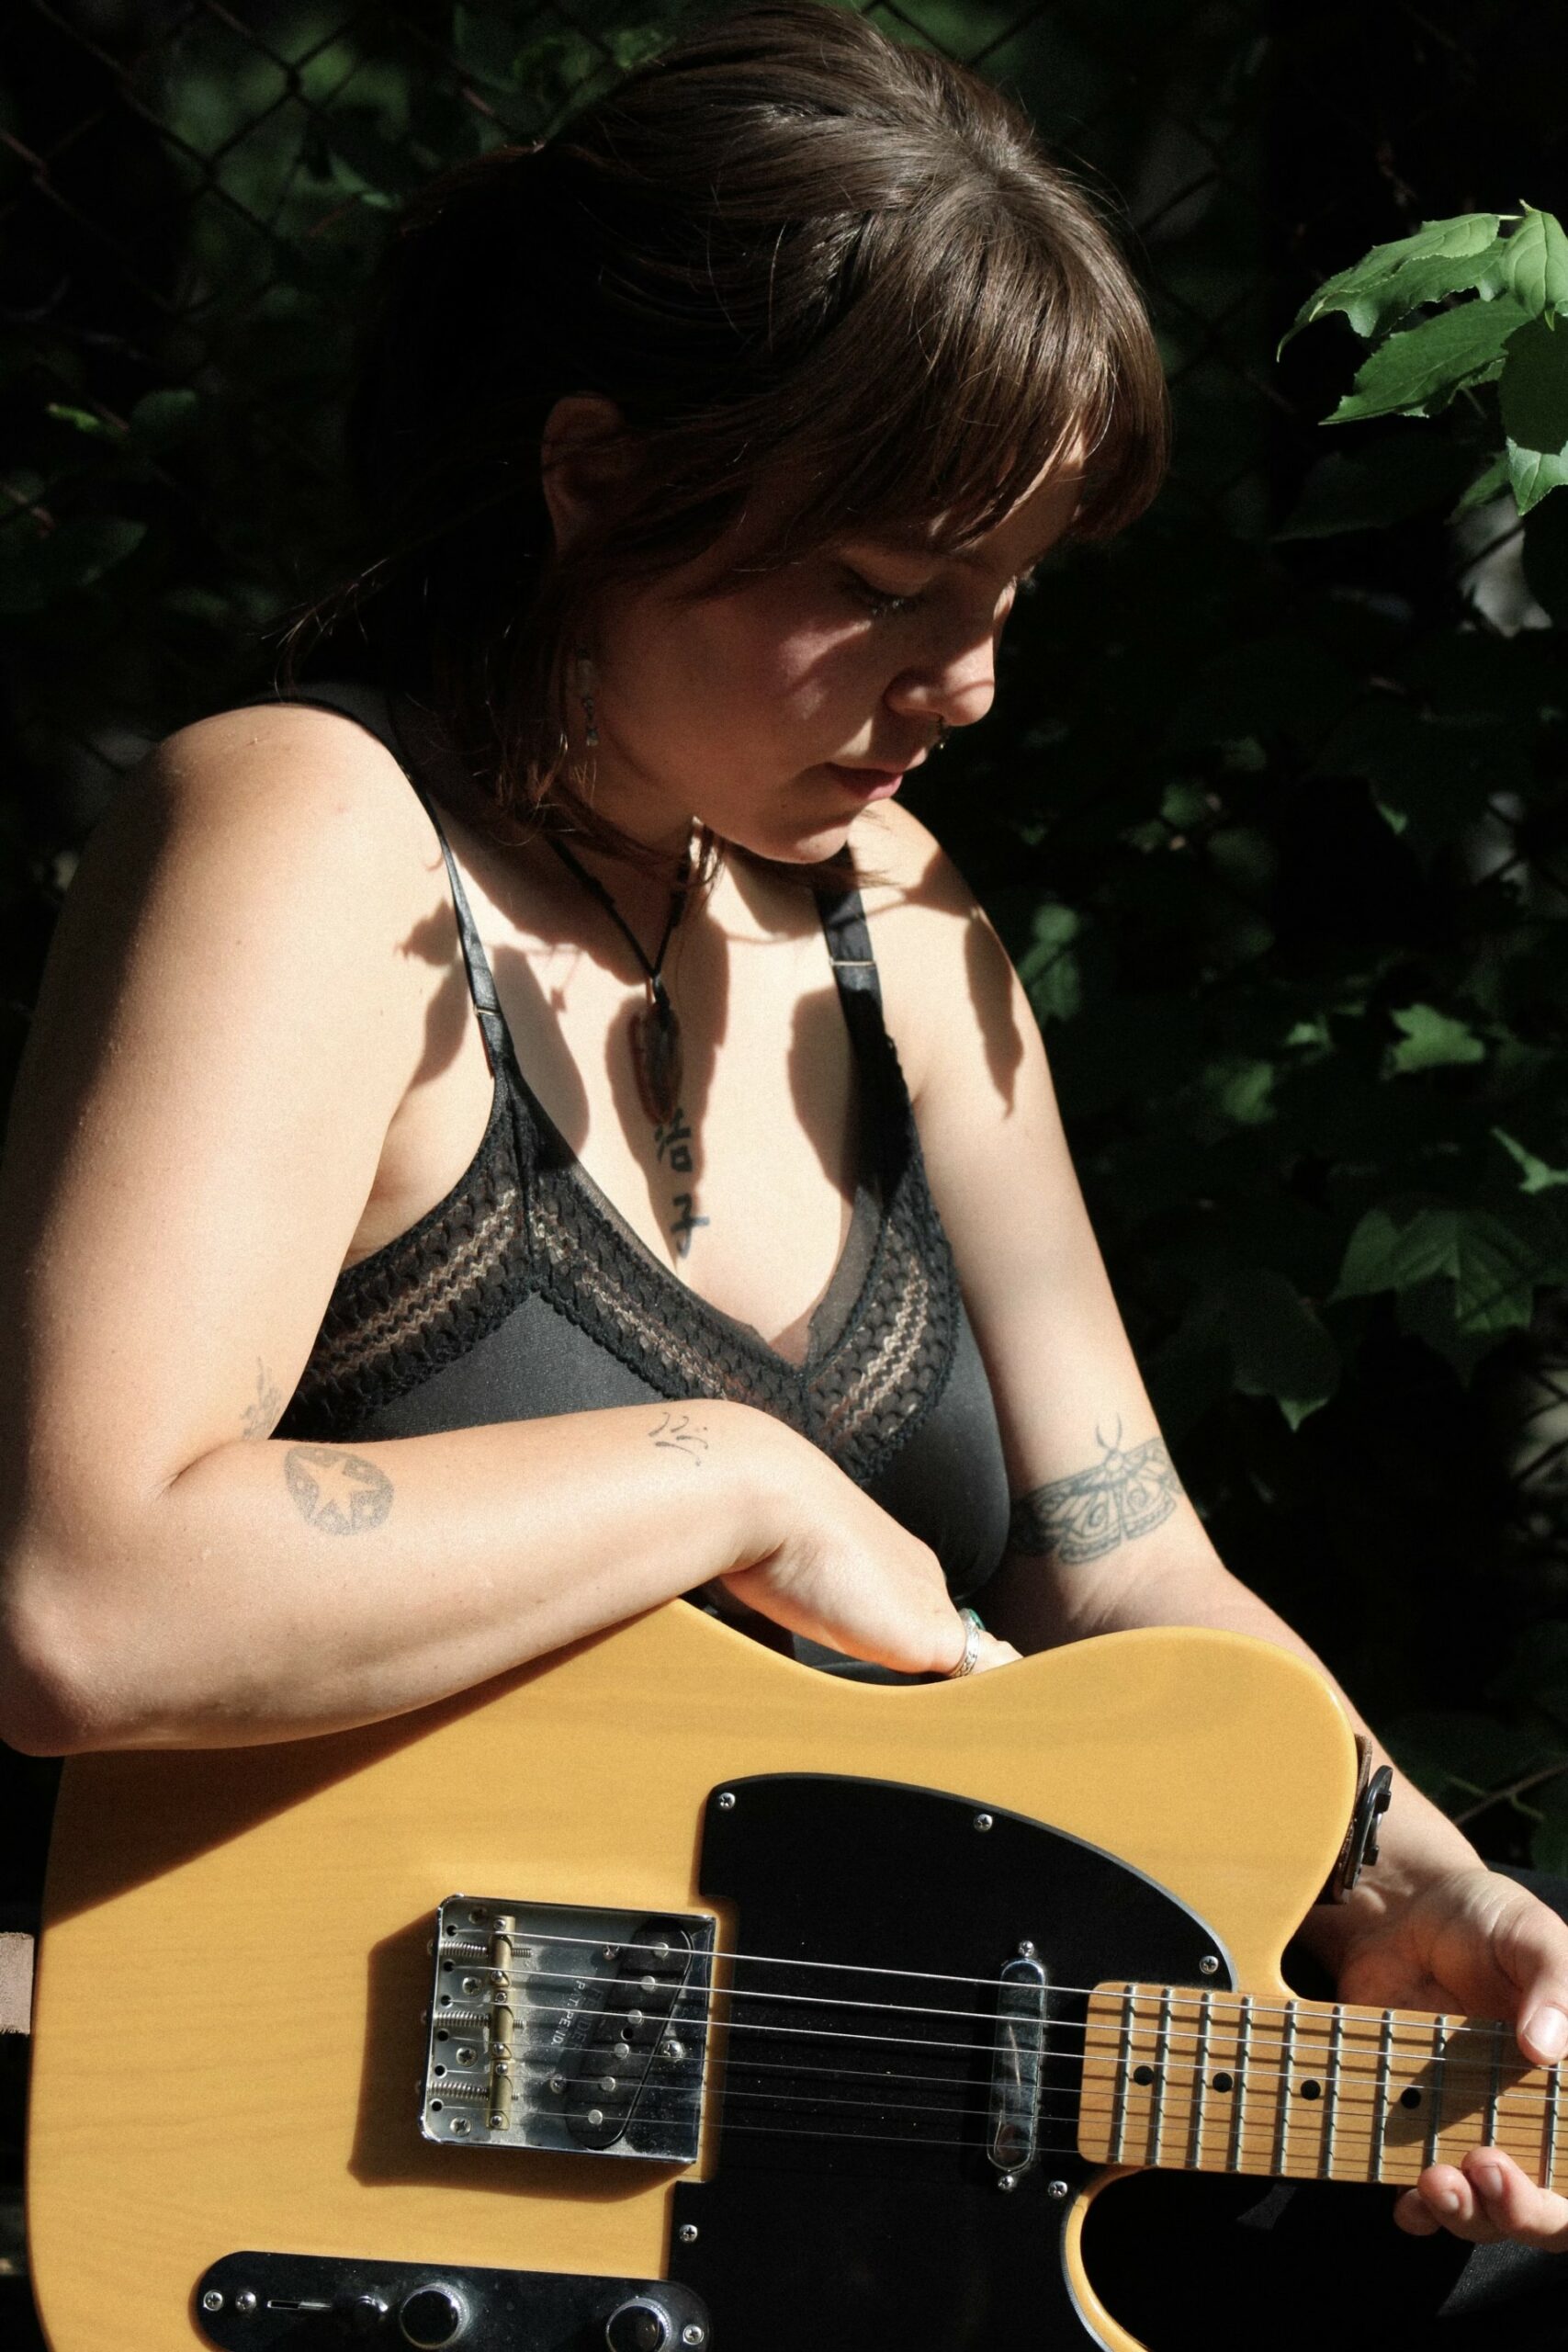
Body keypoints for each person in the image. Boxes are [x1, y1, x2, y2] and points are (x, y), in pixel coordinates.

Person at [0, 6, 1563, 2343]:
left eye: (1012, 591)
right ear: (595, 475)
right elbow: (87, 1595)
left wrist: (1419, 1872)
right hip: (337, 2217)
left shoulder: (906, 930)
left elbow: (1129, 1561)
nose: (969, 684)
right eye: (890, 577)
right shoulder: (309, 835)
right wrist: (726, 1472)